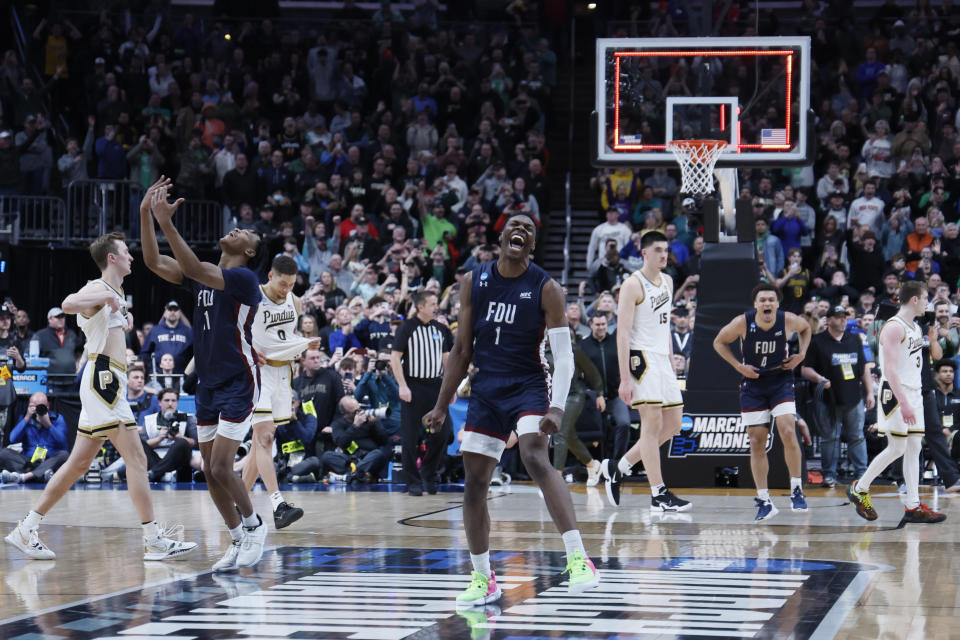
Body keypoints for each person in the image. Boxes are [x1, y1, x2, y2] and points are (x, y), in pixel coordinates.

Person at [423, 213, 600, 607]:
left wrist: (555, 407)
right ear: (500, 236)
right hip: (487, 390)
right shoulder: (473, 281)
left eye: (529, 229)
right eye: (514, 225)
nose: (520, 230)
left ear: (531, 245)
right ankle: (484, 579)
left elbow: (564, 358)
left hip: (529, 384)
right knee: (474, 484)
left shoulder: (546, 287)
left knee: (534, 454)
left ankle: (578, 557)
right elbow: (461, 350)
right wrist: (440, 404)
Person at [5, 225, 196, 561]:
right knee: (136, 459)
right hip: (103, 380)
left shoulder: (112, 294)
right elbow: (66, 303)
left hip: (106, 379)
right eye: (126, 252)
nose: (131, 256)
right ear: (112, 257)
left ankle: (26, 528)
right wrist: (107, 299)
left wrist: (118, 314)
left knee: (79, 464)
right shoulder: (98, 287)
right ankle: (153, 539)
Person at [140, 176, 267, 570]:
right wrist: (146, 214)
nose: (236, 228)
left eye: (244, 231)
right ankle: (235, 538)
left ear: (247, 251)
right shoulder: (203, 277)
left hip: (239, 381)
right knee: (211, 474)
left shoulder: (245, 280)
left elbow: (192, 266)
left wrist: (167, 222)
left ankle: (254, 525)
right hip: (209, 384)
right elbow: (152, 261)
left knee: (218, 467)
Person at [602, 231, 691, 512]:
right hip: (641, 360)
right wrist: (625, 378)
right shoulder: (632, 284)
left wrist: (670, 357)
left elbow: (663, 326)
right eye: (658, 250)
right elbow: (623, 334)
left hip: (663, 360)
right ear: (644, 253)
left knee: (674, 424)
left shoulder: (668, 280)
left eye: (666, 250)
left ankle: (619, 467)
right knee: (651, 427)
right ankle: (658, 494)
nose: (664, 255)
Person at [847, 281, 946, 523]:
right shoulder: (893, 327)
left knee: (914, 447)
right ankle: (859, 488)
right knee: (897, 448)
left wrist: (931, 339)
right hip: (896, 392)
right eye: (925, 298)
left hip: (914, 391)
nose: (927, 303)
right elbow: (889, 370)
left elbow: (930, 357)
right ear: (914, 300)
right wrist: (904, 402)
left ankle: (913, 506)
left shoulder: (914, 326)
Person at [713, 283, 811, 520]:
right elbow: (718, 342)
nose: (767, 303)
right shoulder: (742, 322)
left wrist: (801, 355)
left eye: (771, 300)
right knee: (757, 441)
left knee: (787, 429)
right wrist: (738, 366)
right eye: (763, 300)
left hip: (780, 380)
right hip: (754, 384)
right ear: (755, 304)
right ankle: (764, 499)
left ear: (777, 303)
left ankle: (796, 489)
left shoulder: (787, 320)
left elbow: (806, 328)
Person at [244, 255, 318, 529]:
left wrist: (305, 344)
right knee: (266, 437)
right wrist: (250, 352)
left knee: (258, 444)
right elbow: (235, 332)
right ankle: (278, 504)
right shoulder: (253, 297)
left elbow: (290, 336)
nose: (286, 289)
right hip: (258, 373)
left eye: (291, 284)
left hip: (283, 374)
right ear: (271, 276)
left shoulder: (294, 301)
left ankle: (240, 506)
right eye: (282, 284)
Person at [801, 305, 873, 488]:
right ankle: (829, 475)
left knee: (856, 436)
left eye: (844, 317)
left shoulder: (854, 339)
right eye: (838, 317)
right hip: (827, 398)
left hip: (853, 397)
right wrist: (819, 378)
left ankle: (862, 474)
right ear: (829, 320)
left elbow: (863, 369)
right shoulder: (817, 341)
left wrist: (870, 392)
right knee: (830, 437)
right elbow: (804, 369)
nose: (843, 320)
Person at [391, 290, 454, 496]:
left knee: (443, 433)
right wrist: (402, 385)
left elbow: (446, 360)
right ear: (420, 307)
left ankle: (428, 473)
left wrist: (449, 388)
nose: (436, 307)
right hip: (413, 386)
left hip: (436, 387)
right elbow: (395, 359)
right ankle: (413, 481)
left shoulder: (440, 329)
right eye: (433, 303)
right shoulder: (406, 328)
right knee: (409, 437)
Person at [0, 392, 69, 484]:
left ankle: (25, 477)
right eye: (33, 406)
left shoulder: (57, 419)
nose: (37, 409)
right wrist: (27, 418)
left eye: (41, 406)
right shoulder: (25, 419)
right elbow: (12, 438)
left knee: (64, 455)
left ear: (48, 406)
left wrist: (49, 425)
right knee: (4, 453)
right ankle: (41, 476)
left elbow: (63, 443)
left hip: (49, 461)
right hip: (28, 462)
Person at [141, 388, 197, 482]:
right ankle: (161, 473)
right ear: (159, 402)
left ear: (177, 402)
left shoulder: (188, 417)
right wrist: (159, 438)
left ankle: (155, 473)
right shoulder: (149, 420)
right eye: (166, 400)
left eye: (173, 400)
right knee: (138, 443)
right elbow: (143, 444)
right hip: (155, 458)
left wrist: (179, 437)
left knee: (182, 443)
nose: (170, 404)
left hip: (178, 460)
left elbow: (197, 444)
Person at [142, 300, 193, 374]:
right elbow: (145, 353)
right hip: (159, 374)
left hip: (182, 374)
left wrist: (189, 371)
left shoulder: (188, 331)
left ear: (180, 313)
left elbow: (195, 354)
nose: (172, 312)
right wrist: (152, 369)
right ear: (165, 313)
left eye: (175, 310)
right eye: (170, 309)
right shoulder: (155, 330)